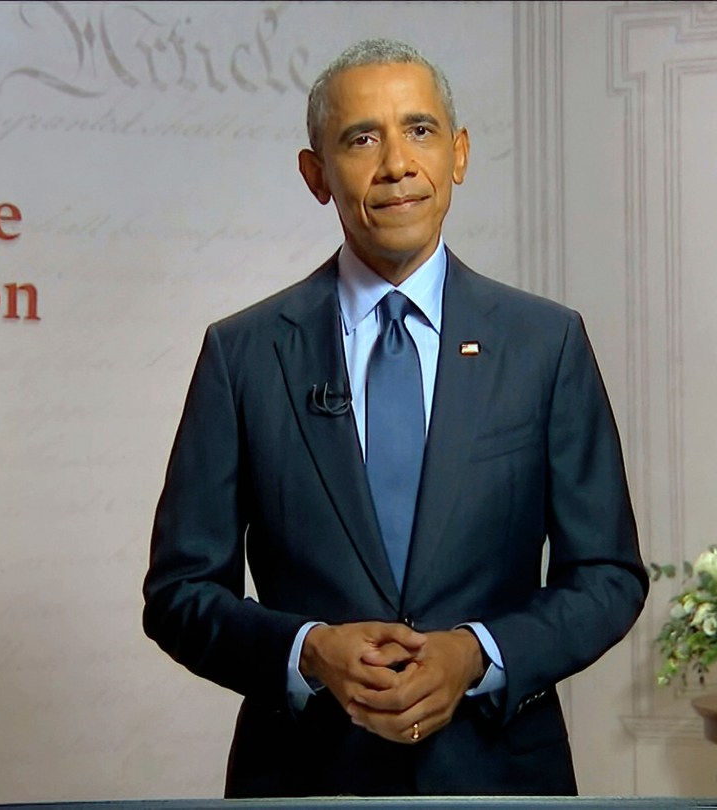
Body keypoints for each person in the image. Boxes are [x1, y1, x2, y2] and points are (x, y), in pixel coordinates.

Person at [142, 38, 648, 797]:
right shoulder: (242, 354)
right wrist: (308, 651)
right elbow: (179, 593)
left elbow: (608, 575)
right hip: (302, 780)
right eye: (361, 139)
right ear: (316, 174)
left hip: (501, 778)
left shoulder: (546, 344)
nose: (396, 165)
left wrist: (477, 654)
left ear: (459, 154)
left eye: (419, 130)